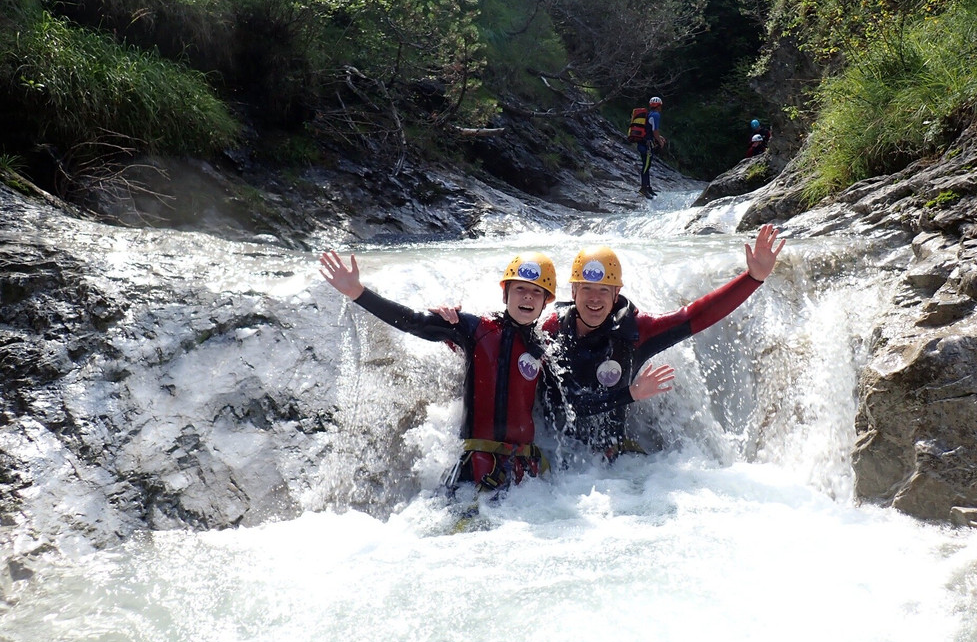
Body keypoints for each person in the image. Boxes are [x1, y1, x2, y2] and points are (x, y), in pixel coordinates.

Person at [319, 249, 558, 492]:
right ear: (505, 294)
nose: (527, 297)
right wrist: (359, 293)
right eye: (520, 288)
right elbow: (414, 322)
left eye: (536, 292)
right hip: (474, 469)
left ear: (545, 302)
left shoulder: (544, 347)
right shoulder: (475, 328)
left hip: (524, 475)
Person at [540, 224, 785, 456]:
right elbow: (563, 403)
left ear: (616, 294)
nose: (595, 298)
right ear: (573, 292)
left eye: (604, 289)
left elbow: (694, 316)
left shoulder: (635, 332)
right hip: (557, 453)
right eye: (587, 289)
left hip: (613, 463)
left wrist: (752, 279)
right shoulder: (551, 330)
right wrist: (630, 394)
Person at [638, 96, 666, 199]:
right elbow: (655, 131)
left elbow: (649, 129)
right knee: (646, 167)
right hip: (647, 145)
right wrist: (660, 141)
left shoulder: (649, 114)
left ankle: (648, 187)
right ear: (659, 106)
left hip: (642, 143)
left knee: (647, 165)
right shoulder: (656, 115)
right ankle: (643, 189)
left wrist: (659, 137)